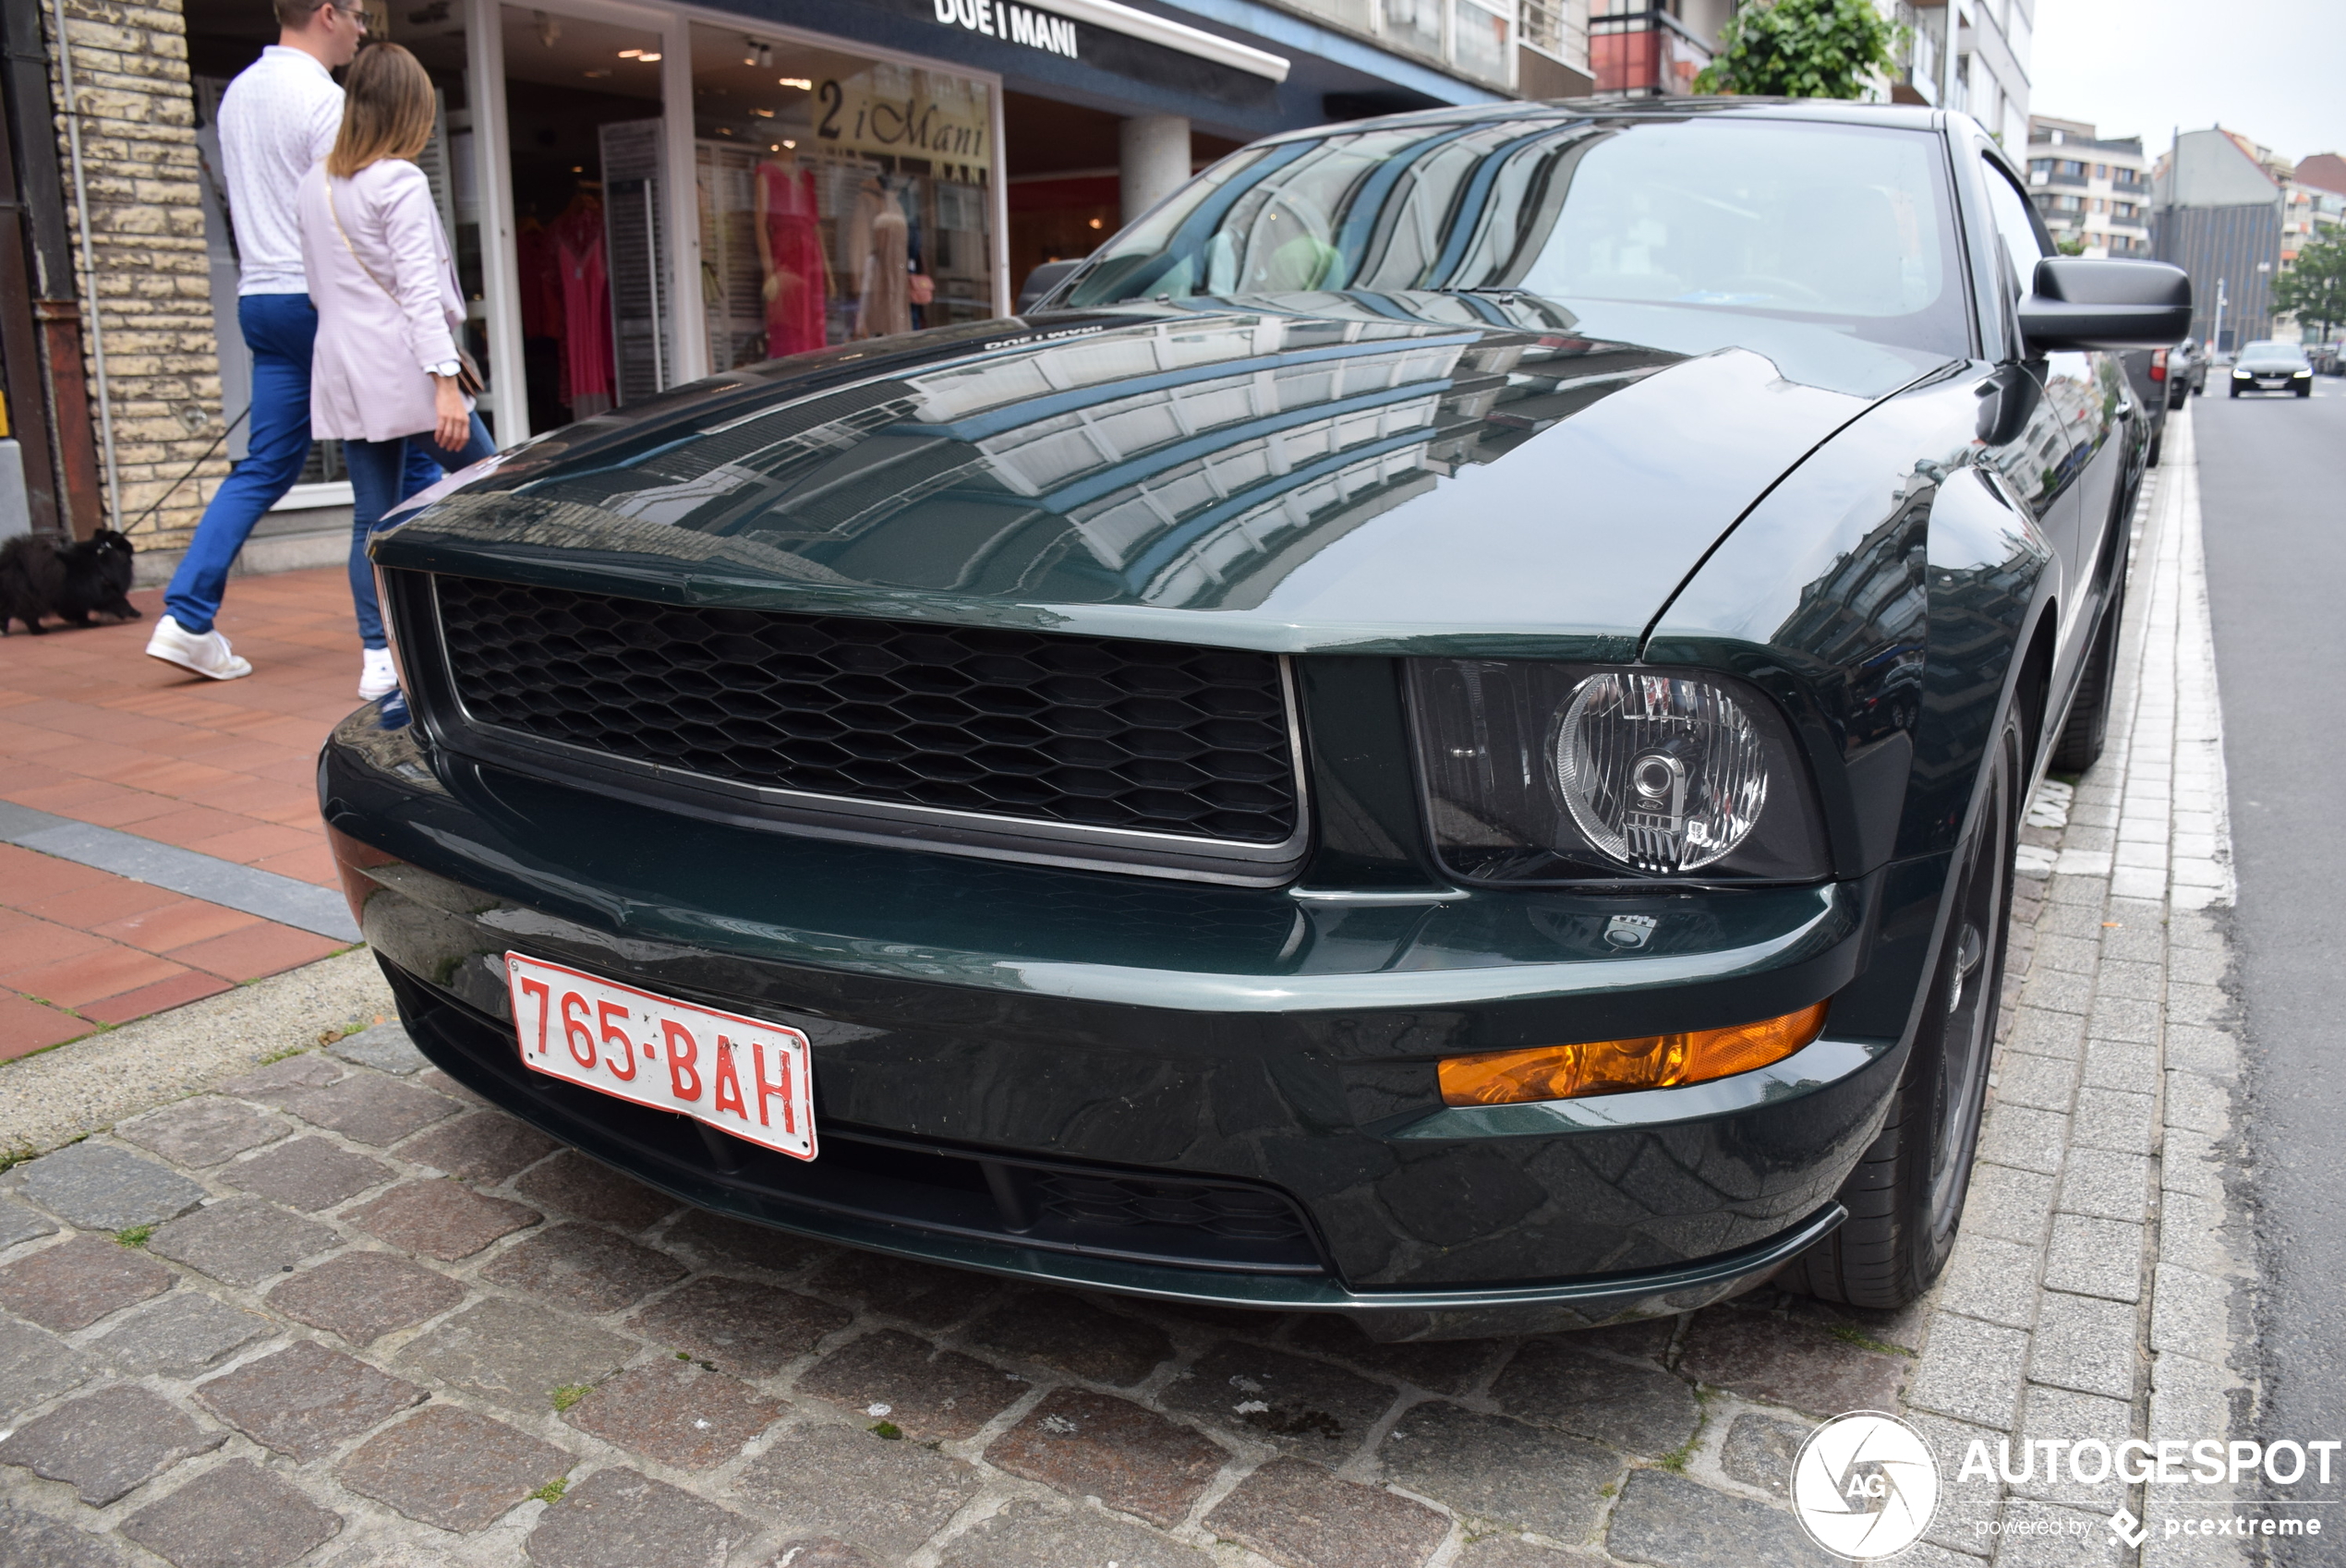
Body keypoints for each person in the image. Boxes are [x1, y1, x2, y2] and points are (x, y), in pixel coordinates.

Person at [146, 0, 435, 682]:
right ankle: (394, 645)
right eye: (358, 15)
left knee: (267, 465)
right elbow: (348, 213)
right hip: (322, 303)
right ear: (326, 14)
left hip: (261, 299)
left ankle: (186, 616)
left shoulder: (239, 93)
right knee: (420, 468)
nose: (364, 31)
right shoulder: (325, 102)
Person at [299, 42, 493, 700]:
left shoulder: (314, 183)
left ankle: (379, 653)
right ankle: (491, 622)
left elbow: (320, 287)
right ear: (409, 110)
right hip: (406, 367)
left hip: (346, 367)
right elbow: (416, 289)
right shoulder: (399, 182)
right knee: (492, 485)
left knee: (371, 516)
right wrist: (445, 383)